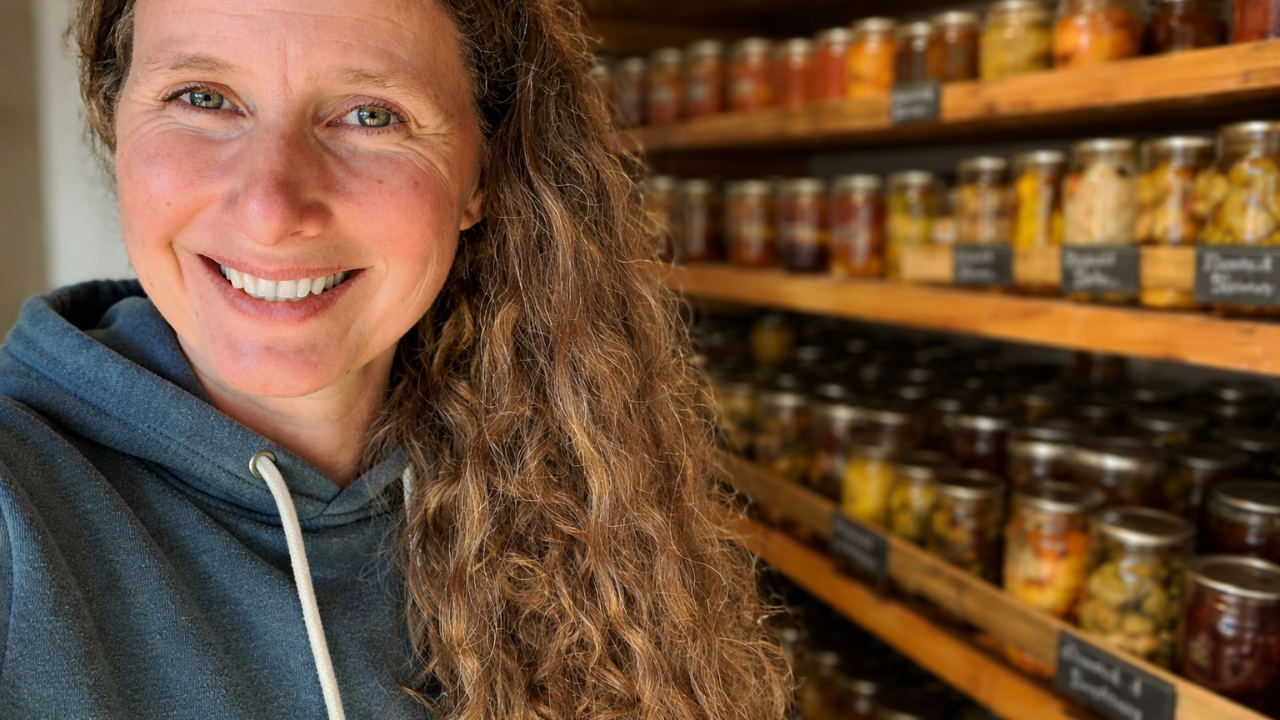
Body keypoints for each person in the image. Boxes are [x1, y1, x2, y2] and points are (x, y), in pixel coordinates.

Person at [0, 0, 791, 717]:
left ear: (481, 174)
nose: (272, 209)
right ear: (116, 124)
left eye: (370, 115)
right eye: (202, 98)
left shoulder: (582, 480)